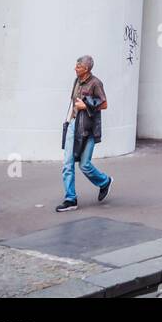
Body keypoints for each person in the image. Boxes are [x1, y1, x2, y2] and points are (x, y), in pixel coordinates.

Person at [56, 54, 112, 212]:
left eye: (78, 67)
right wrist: (68, 121)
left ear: (86, 69)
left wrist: (86, 105)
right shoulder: (76, 81)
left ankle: (104, 182)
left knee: (84, 165)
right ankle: (70, 198)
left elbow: (104, 104)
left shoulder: (96, 83)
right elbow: (73, 103)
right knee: (67, 163)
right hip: (74, 125)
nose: (75, 68)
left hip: (89, 129)